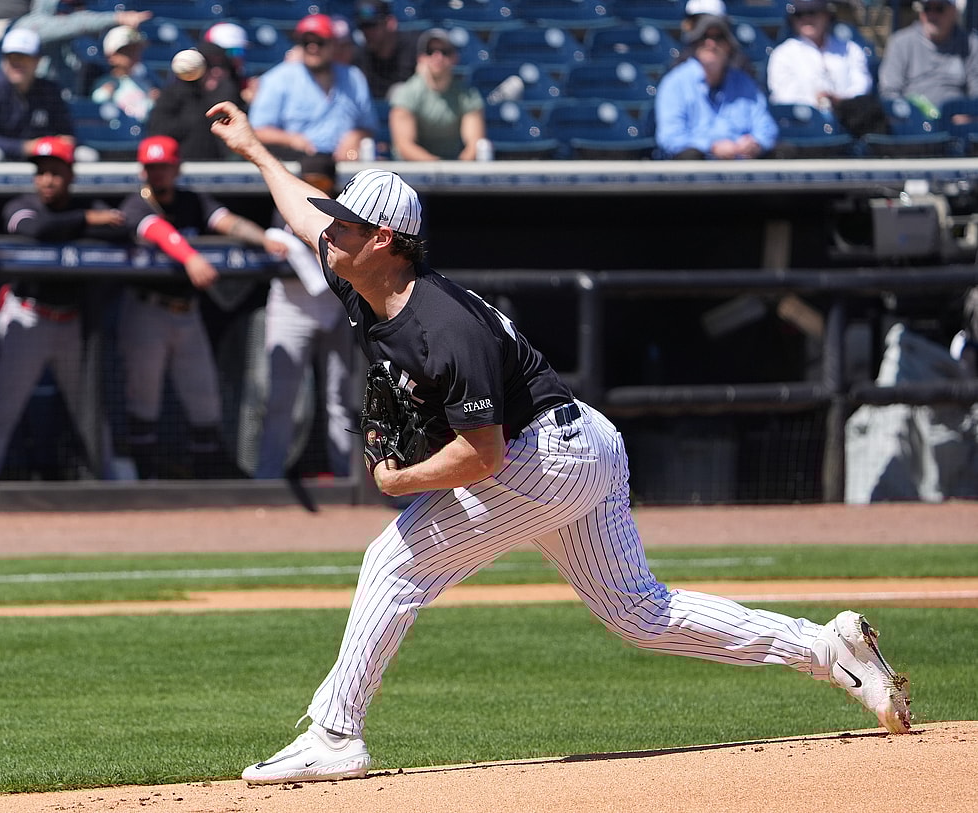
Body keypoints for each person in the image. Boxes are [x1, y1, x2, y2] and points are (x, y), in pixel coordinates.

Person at [205, 99, 913, 784]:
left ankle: (334, 734)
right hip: (582, 441)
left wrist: (398, 481)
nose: (328, 233)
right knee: (640, 611)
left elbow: (483, 458)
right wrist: (256, 151)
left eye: (345, 225)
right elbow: (303, 214)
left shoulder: (444, 329)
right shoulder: (364, 278)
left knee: (394, 562)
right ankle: (828, 647)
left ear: (383, 240)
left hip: (540, 457)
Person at [113, 135, 288, 479]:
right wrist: (191, 258)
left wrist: (263, 237)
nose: (157, 174)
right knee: (143, 402)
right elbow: (159, 232)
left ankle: (205, 485)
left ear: (177, 168)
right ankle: (143, 486)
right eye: (151, 168)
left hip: (186, 314)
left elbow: (228, 222)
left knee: (205, 400)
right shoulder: (134, 204)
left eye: (163, 167)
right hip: (147, 312)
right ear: (142, 171)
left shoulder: (192, 200)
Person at [0, 136, 124, 482]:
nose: (47, 180)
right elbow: (35, 229)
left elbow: (121, 229)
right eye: (41, 173)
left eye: (56, 172)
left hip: (70, 323)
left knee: (90, 413)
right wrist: (85, 220)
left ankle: (112, 486)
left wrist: (86, 220)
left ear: (71, 175)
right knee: (3, 412)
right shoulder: (23, 204)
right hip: (29, 317)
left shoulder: (88, 204)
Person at [255, 152, 356, 480]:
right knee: (281, 400)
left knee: (340, 399)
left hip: (336, 310)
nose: (314, 188)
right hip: (291, 310)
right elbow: (275, 241)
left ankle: (345, 479)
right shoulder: (286, 206)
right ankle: (267, 479)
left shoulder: (345, 212)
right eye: (309, 181)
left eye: (322, 183)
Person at [247, 13, 378, 162]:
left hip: (343, 166)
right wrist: (290, 139)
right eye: (306, 42)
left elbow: (368, 126)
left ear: (333, 44)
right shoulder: (278, 79)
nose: (313, 48)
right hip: (297, 165)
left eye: (320, 42)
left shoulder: (353, 77)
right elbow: (257, 130)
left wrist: (356, 136)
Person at [654, 13, 778, 159]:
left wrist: (756, 143)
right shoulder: (675, 83)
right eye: (704, 37)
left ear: (729, 45)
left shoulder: (744, 82)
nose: (711, 44)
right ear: (694, 43)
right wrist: (711, 146)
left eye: (718, 38)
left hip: (742, 171)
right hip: (695, 173)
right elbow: (669, 137)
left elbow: (767, 127)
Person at [0, 28, 96, 163]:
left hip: (41, 156)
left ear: (38, 60)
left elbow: (65, 131)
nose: (17, 63)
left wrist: (63, 140)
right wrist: (24, 147)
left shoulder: (50, 90)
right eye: (12, 57)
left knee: (85, 155)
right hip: (2, 154)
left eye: (24, 58)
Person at [8, 0, 151, 94]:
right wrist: (118, 18)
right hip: (29, 96)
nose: (73, 11)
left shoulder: (73, 38)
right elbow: (73, 24)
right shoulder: (28, 25)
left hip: (62, 101)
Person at [388, 27, 486, 161]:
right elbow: (404, 145)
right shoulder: (406, 94)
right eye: (430, 51)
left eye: (444, 52)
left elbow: (474, 143)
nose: (437, 57)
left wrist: (457, 170)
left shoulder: (467, 95)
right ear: (421, 58)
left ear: (454, 58)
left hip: (454, 168)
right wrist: (438, 168)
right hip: (412, 170)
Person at [146, 39, 246, 161]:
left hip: (225, 171)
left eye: (222, 65)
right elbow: (158, 132)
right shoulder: (174, 95)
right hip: (181, 169)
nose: (216, 71)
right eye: (209, 65)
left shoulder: (233, 96)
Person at [878, 0, 978, 120]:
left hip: (956, 127)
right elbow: (889, 92)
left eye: (939, 9)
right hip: (912, 125)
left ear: (954, 11)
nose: (932, 15)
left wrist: (967, 114)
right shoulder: (900, 42)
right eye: (927, 8)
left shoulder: (971, 44)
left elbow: (975, 93)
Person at [766, 0, 872, 112]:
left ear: (827, 15)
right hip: (806, 120)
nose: (806, 19)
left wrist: (840, 100)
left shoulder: (850, 49)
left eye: (812, 12)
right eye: (799, 15)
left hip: (849, 116)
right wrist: (818, 101)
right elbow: (783, 95)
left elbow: (862, 85)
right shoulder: (783, 54)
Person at [90, 24, 161, 123]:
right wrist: (103, 94)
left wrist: (153, 100)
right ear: (111, 56)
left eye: (135, 50)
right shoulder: (105, 83)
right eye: (126, 51)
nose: (132, 55)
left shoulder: (144, 83)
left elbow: (146, 113)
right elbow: (97, 106)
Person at [352, 0, 418, 99]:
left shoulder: (415, 48)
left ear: (390, 23)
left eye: (373, 25)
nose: (368, 32)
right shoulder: (360, 57)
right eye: (363, 26)